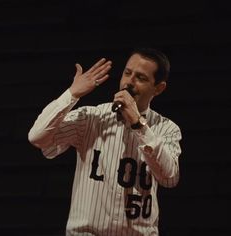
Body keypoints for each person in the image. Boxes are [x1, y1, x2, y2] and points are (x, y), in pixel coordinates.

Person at [28, 48, 182, 236]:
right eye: (127, 73)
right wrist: (72, 94)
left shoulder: (167, 129)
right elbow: (37, 137)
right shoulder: (92, 117)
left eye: (140, 78)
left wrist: (138, 124)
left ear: (158, 88)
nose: (129, 82)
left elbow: (169, 177)